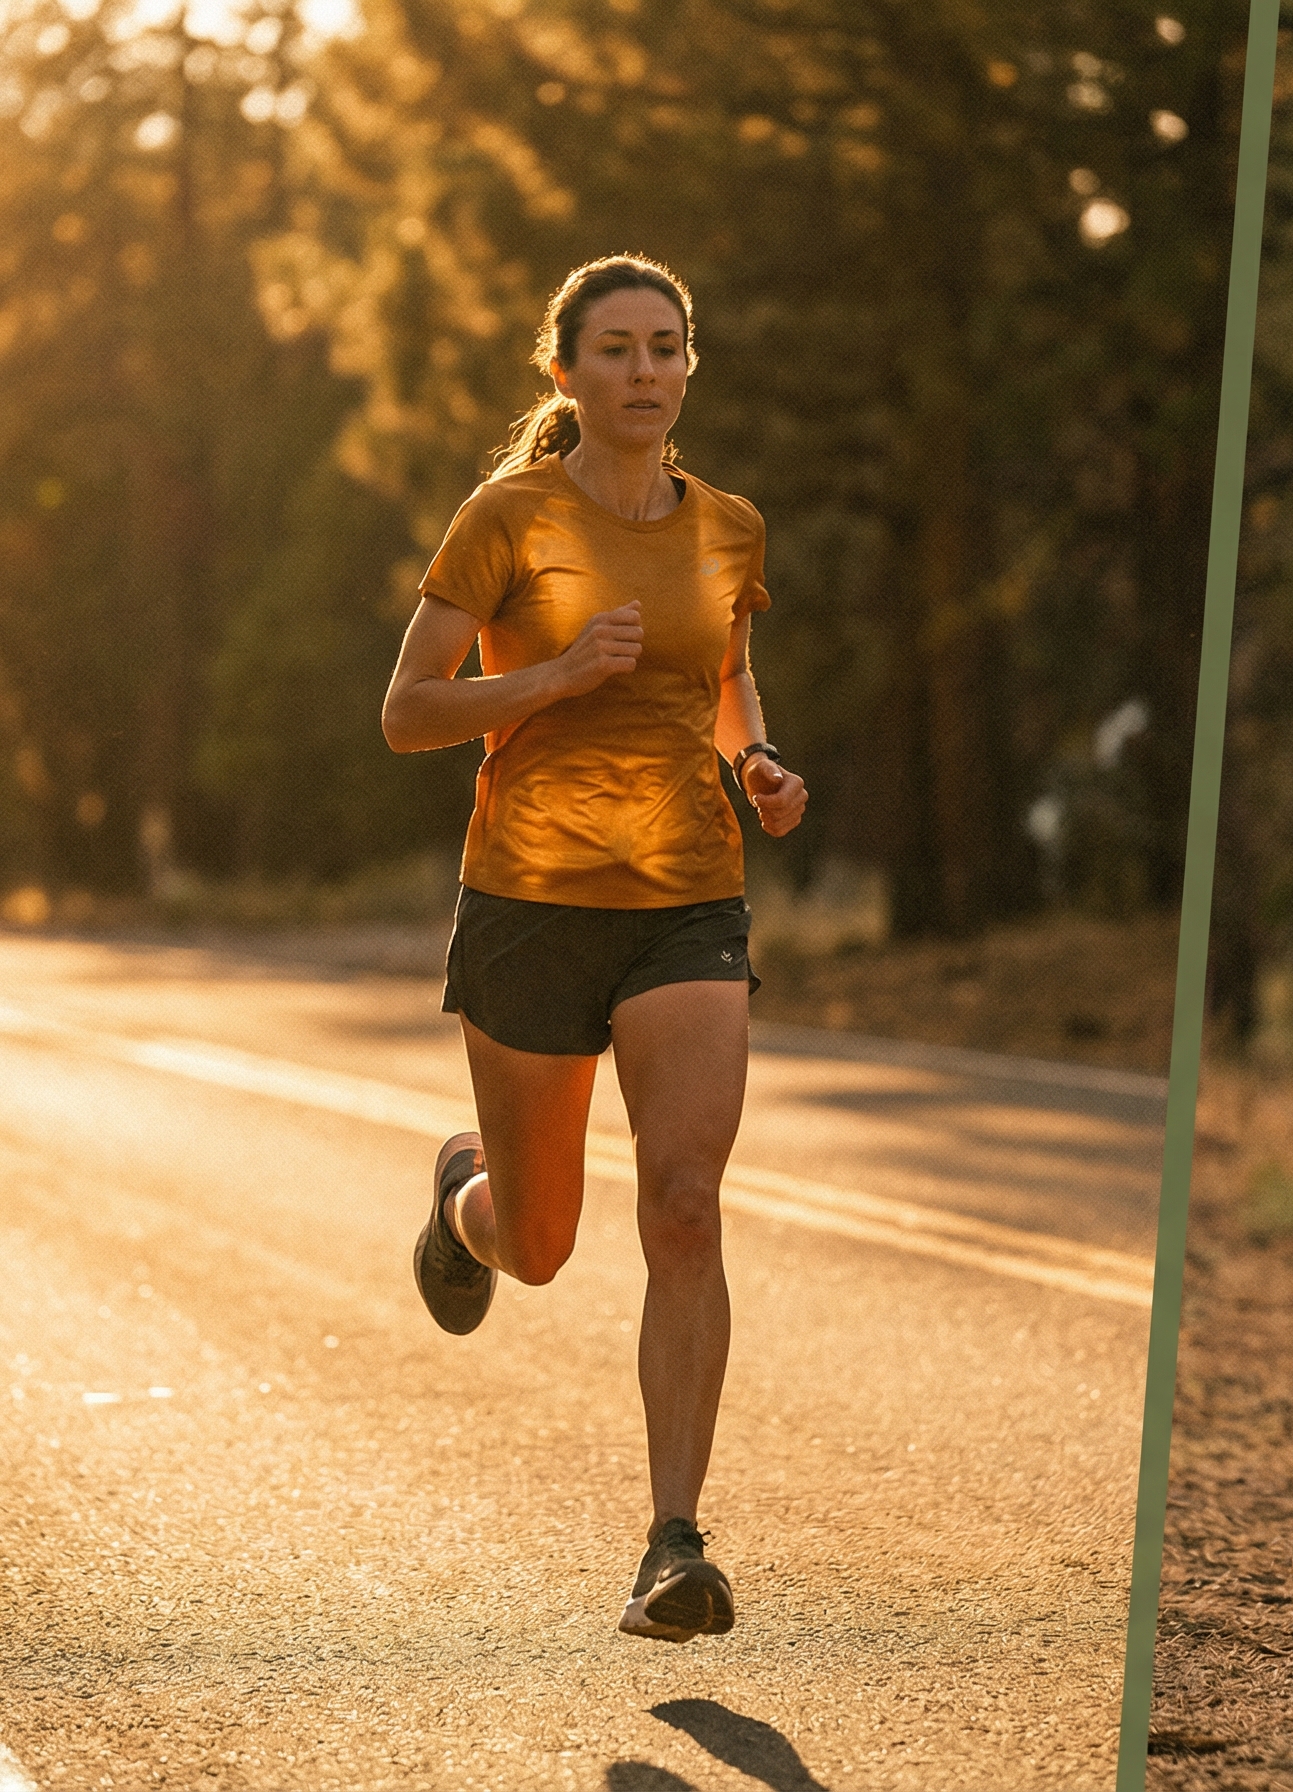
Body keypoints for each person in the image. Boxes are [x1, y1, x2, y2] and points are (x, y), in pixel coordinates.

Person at [380, 253, 806, 1644]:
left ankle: (673, 1543)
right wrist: (555, 678)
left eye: (666, 347)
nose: (644, 371)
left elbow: (727, 678)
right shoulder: (507, 520)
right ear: (564, 372)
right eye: (615, 349)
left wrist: (760, 767)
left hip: (688, 899)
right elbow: (408, 710)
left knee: (684, 1204)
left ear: (691, 367)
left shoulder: (729, 528)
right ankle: (468, 1201)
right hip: (529, 906)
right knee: (545, 1241)